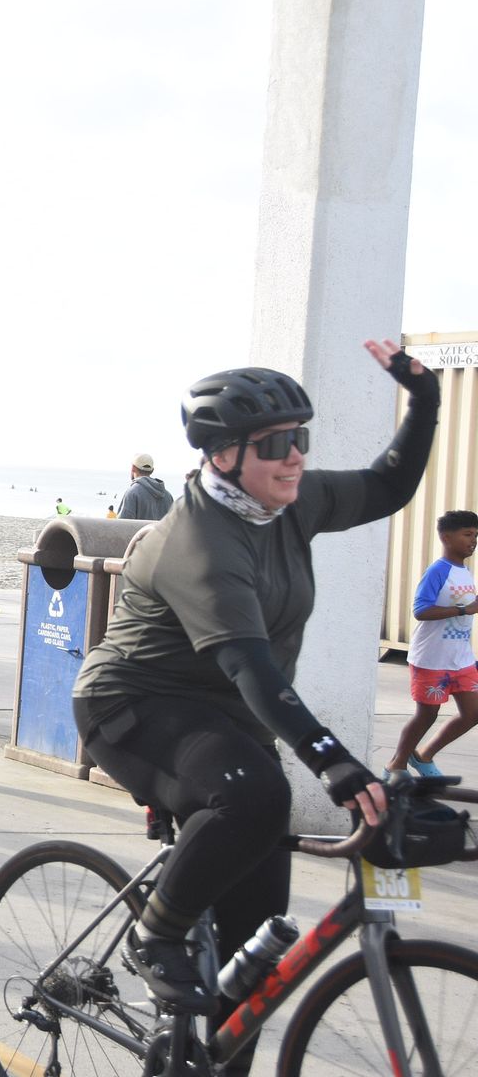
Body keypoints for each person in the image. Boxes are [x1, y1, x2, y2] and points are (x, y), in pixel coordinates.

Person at [71, 344, 433, 1033]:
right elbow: (252, 669)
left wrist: (425, 402)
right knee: (257, 794)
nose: (295, 456)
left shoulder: (291, 503)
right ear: (223, 455)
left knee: (257, 942)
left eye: (300, 438)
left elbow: (388, 486)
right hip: (134, 704)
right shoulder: (200, 543)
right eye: (275, 444)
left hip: (225, 715)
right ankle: (156, 934)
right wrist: (332, 758)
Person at [388, 509, 478, 779]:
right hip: (431, 659)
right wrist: (464, 611)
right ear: (446, 537)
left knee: (473, 713)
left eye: (476, 535)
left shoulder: (465, 571)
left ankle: (424, 755)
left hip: (461, 659)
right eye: (467, 535)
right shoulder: (438, 571)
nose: (473, 541)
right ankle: (396, 764)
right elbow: (420, 610)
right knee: (426, 715)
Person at [117, 452, 174, 521]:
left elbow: (123, 524)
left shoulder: (132, 493)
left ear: (133, 468)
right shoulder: (168, 496)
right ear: (152, 470)